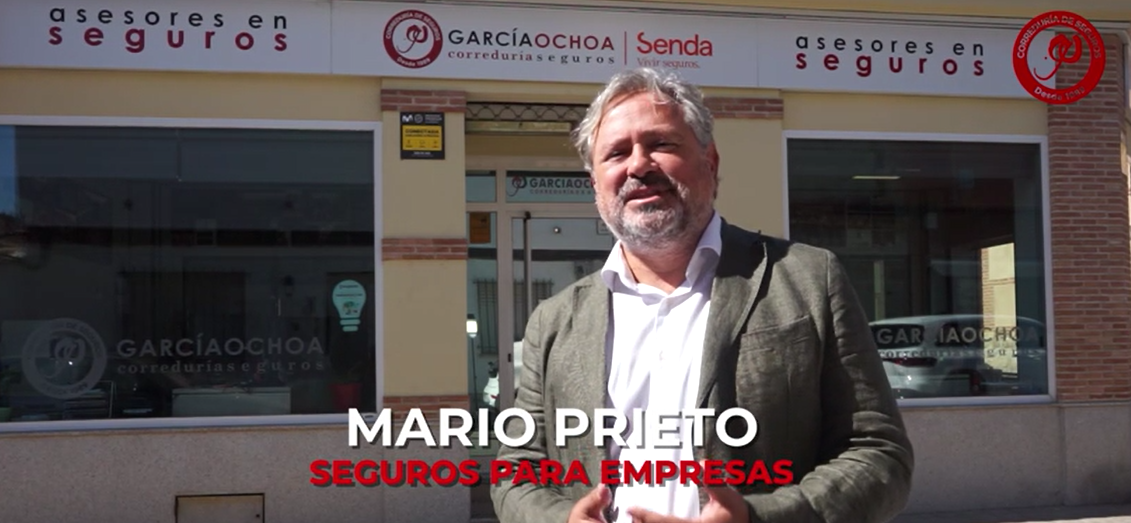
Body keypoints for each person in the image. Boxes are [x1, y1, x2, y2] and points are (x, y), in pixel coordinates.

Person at [490, 67, 914, 523]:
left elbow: (879, 453)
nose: (638, 165)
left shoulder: (808, 280)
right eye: (616, 153)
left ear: (709, 163)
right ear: (596, 184)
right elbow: (516, 469)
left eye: (661, 144)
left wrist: (758, 518)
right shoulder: (554, 321)